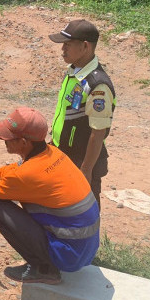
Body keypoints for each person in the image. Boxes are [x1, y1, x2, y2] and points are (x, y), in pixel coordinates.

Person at [0, 107, 100, 284]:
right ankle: (47, 261)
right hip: (85, 248)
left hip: (69, 255)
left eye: (8, 137)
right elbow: (15, 169)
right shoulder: (52, 153)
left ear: (23, 142)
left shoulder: (27, 175)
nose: (2, 139)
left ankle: (44, 269)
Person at [49, 20, 116, 209]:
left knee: (86, 213)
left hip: (83, 161)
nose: (62, 49)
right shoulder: (74, 73)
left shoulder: (98, 85)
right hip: (64, 154)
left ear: (85, 46)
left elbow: (98, 132)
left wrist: (85, 170)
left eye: (67, 44)